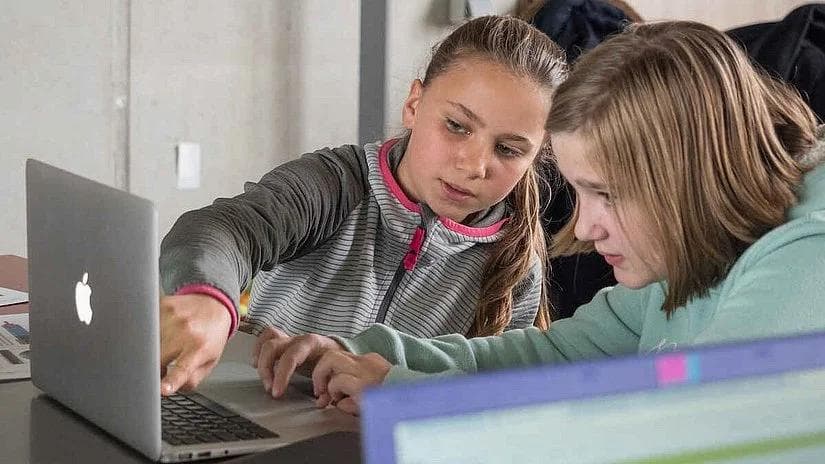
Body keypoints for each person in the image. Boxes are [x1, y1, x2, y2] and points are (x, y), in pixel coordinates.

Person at [259, 20, 825, 415]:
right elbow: (554, 357)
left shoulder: (808, 256)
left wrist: (409, 394)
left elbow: (676, 429)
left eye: (608, 194)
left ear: (687, 178)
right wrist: (367, 355)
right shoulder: (693, 250)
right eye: (580, 193)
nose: (585, 229)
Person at [158, 15, 567, 396]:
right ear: (414, 105)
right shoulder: (334, 184)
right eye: (456, 126)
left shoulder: (516, 263)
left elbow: (494, 401)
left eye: (508, 149)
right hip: (270, 414)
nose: (474, 165)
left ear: (537, 158)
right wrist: (209, 297)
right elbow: (224, 231)